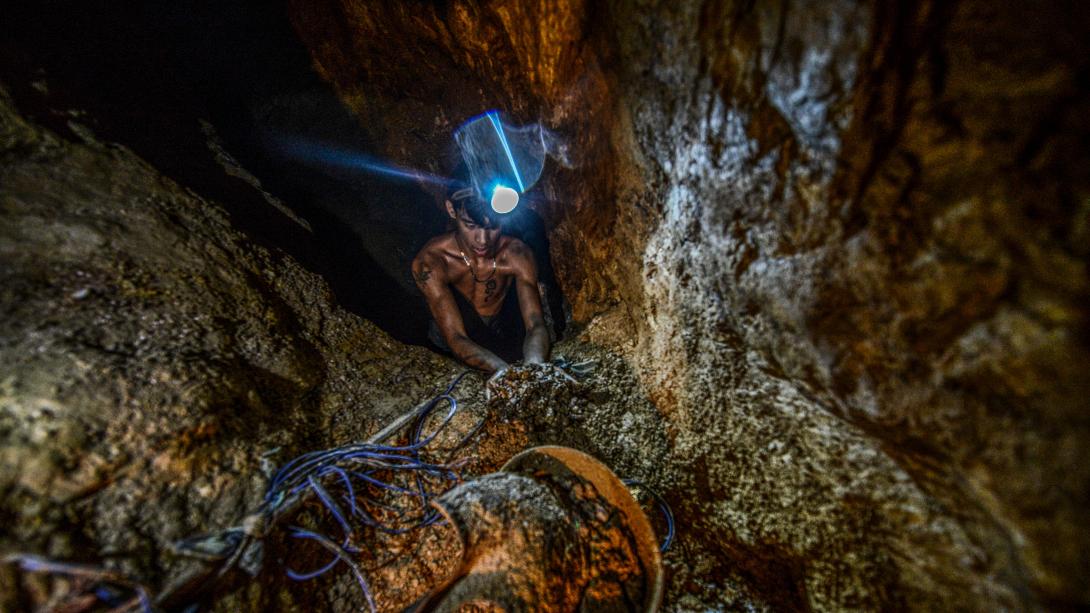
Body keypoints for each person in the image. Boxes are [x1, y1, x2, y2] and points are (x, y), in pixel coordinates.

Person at [412, 185, 550, 373]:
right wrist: (505, 373)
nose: (483, 240)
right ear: (452, 210)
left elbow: (535, 323)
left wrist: (534, 365)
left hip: (494, 332)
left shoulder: (517, 254)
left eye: (492, 227)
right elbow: (455, 337)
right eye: (470, 226)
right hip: (447, 342)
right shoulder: (432, 262)